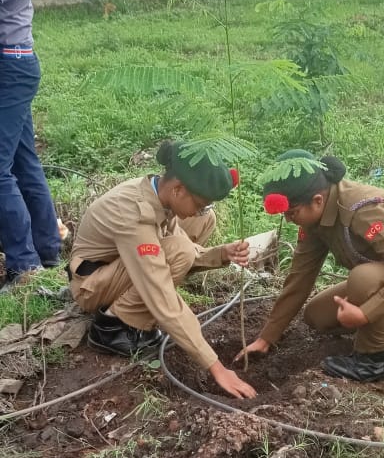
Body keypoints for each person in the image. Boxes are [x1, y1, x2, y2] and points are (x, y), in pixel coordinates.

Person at [237, 150, 384, 383]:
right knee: (317, 315)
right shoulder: (315, 219)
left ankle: (373, 361)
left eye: (292, 212)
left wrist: (365, 313)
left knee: (364, 279)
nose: (289, 219)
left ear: (317, 200)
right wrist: (266, 338)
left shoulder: (361, 209)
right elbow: (299, 279)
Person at [69, 138, 256, 400]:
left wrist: (220, 254)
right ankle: (111, 326)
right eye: (200, 205)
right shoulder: (134, 212)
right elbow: (159, 289)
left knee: (185, 243)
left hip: (113, 272)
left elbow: (180, 249)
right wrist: (216, 366)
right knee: (179, 249)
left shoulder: (158, 196)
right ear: (178, 190)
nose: (200, 212)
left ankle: (126, 315)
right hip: (91, 287)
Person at [0, 0, 61, 290]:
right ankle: (47, 249)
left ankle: (24, 266)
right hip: (17, 62)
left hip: (9, 65)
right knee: (24, 161)